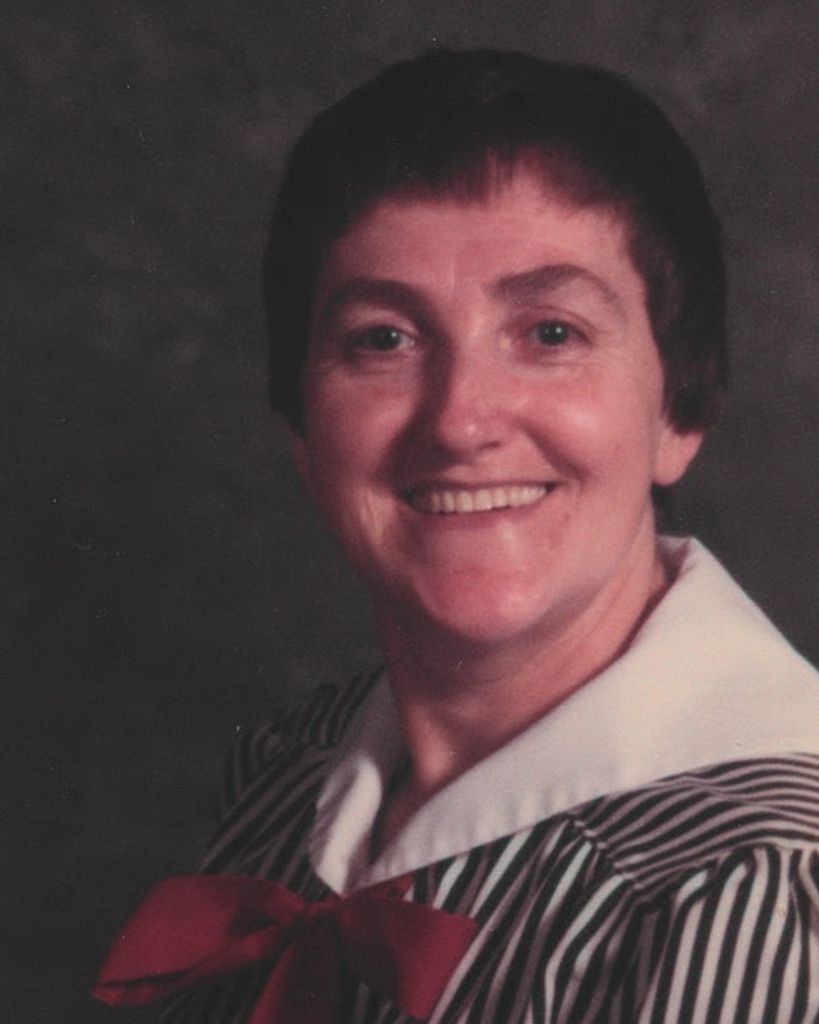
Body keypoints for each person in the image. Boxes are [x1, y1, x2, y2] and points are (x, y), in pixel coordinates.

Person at [96, 49, 819, 1022]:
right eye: (383, 339)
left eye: (550, 333)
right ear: (301, 430)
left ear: (677, 414)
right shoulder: (290, 767)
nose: (459, 420)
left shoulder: (762, 891)